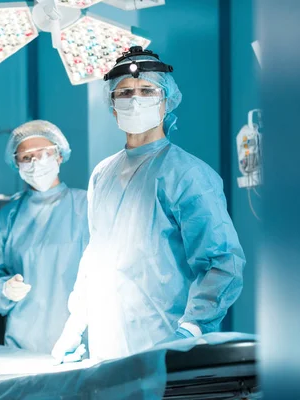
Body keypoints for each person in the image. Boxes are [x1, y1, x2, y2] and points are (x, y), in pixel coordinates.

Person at [52, 47, 246, 363]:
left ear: (165, 101)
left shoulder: (188, 174)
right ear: (113, 107)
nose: (135, 99)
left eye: (146, 91)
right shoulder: (102, 174)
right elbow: (95, 256)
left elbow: (223, 262)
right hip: (108, 344)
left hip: (165, 344)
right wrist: (76, 323)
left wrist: (191, 329)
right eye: (125, 93)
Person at [0, 120, 89, 354]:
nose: (36, 163)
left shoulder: (88, 206)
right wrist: (4, 289)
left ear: (59, 156)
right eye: (26, 157)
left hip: (84, 342)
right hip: (25, 346)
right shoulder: (7, 219)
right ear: (16, 163)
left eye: (45, 154)